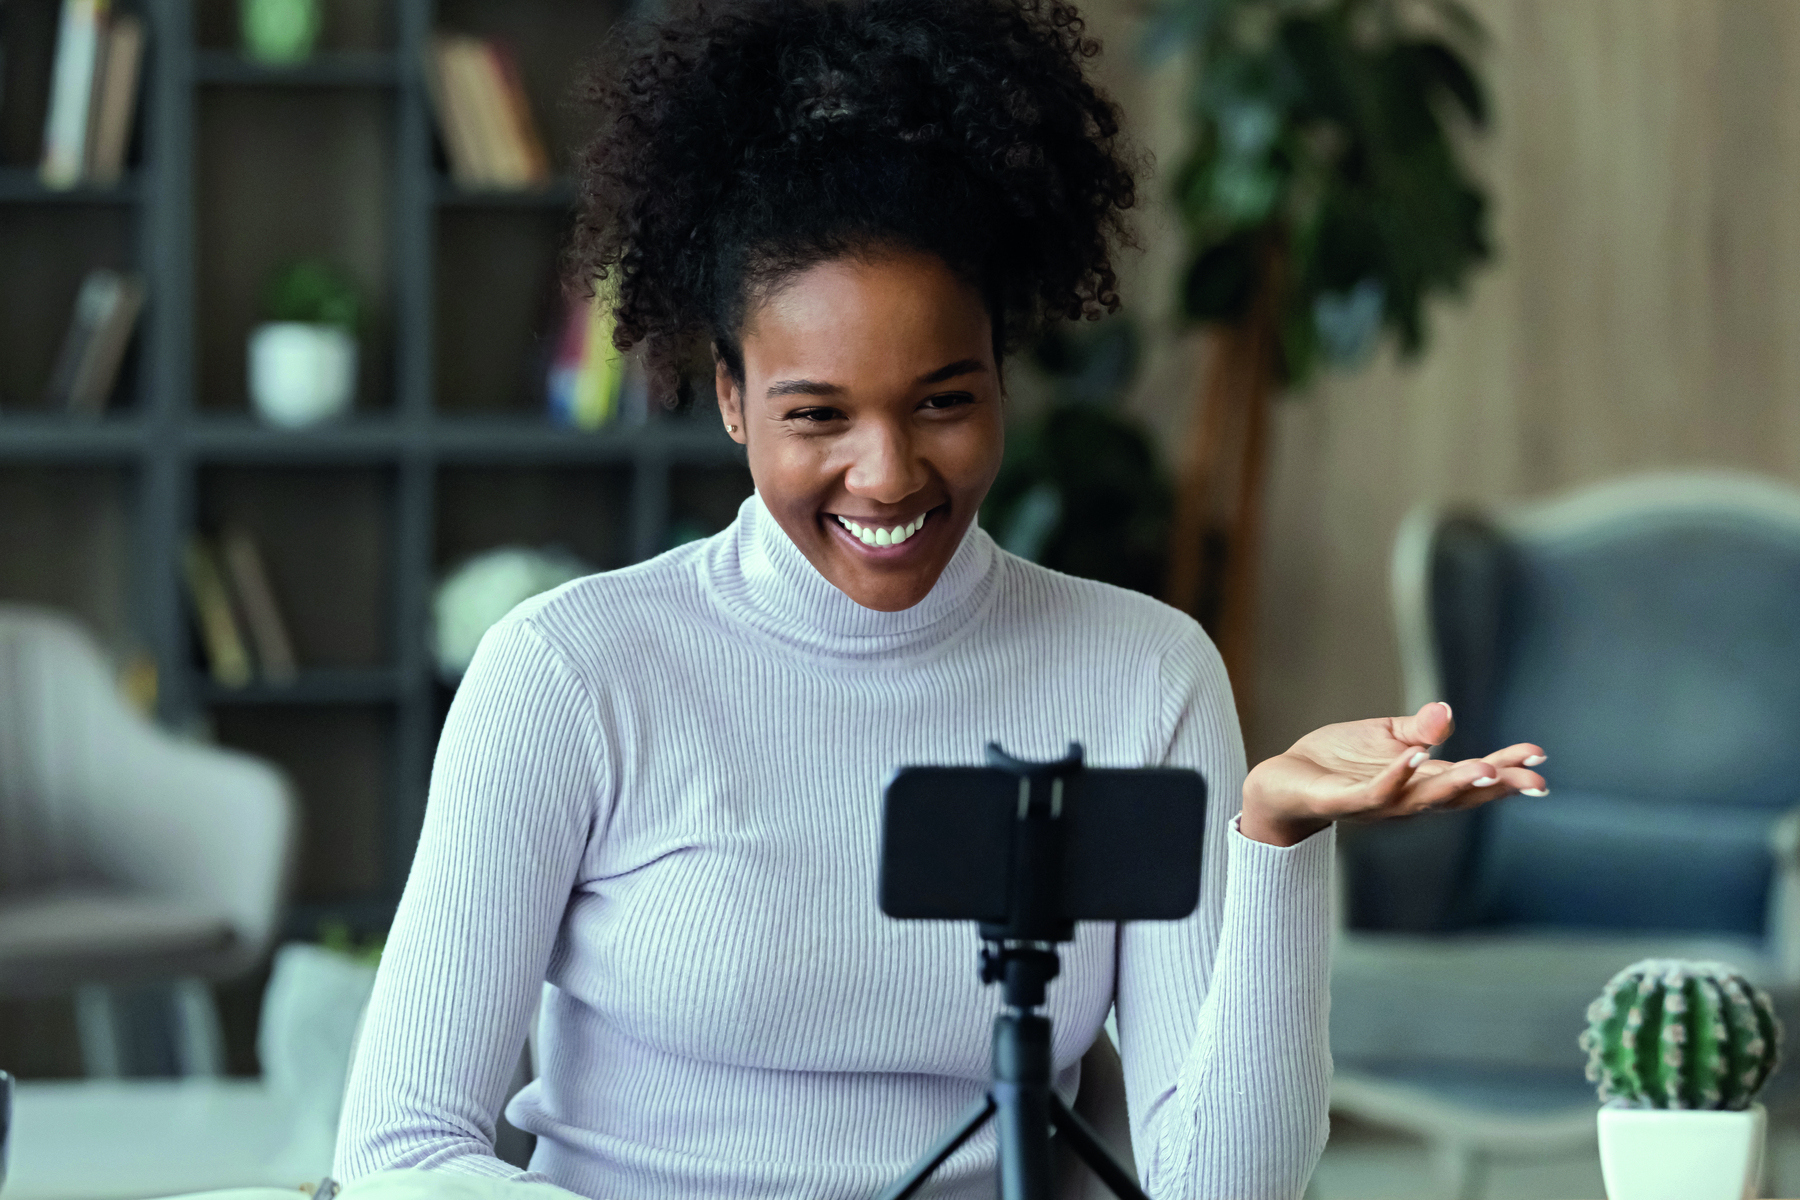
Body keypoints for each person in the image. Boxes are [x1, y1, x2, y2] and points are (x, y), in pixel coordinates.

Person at [334, 2, 1547, 1197]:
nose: (890, 472)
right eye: (818, 415)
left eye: (943, 402)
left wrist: (1276, 841)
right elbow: (401, 1151)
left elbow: (1219, 1192)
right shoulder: (568, 671)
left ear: (1001, 381)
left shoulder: (1142, 671)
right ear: (730, 399)